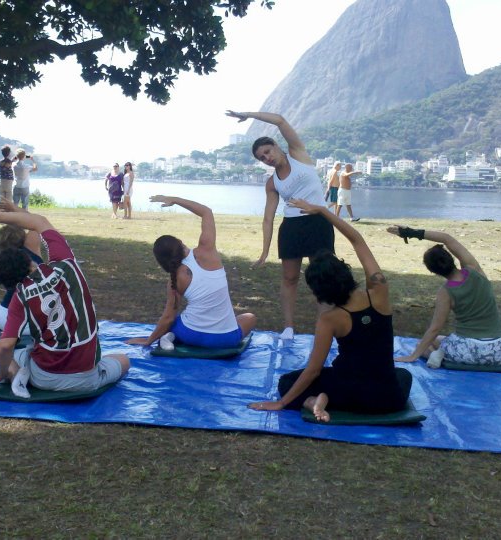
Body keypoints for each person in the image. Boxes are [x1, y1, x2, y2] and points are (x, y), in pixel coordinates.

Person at [248, 199, 411, 422]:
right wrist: (324, 211)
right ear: (345, 272)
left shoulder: (330, 319)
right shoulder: (379, 290)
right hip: (388, 399)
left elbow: (313, 370)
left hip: (349, 391)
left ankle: (316, 399)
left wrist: (282, 403)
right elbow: (357, 240)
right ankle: (325, 397)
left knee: (287, 382)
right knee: (402, 376)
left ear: (320, 291)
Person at [0, 206, 130, 393]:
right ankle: (19, 372)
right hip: (85, 379)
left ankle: (13, 374)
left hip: (44, 378)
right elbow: (40, 222)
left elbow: (4, 345)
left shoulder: (20, 297)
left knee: (13, 357)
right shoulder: (67, 264)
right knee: (124, 360)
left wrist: (0, 372)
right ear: (29, 260)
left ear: (9, 283)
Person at [225, 110, 333, 341]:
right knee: (289, 278)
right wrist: (265, 251)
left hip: (318, 224)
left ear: (275, 145)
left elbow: (280, 120)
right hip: (292, 228)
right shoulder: (272, 182)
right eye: (262, 158)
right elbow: (268, 218)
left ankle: (325, 325)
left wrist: (248, 114)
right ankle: (288, 327)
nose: (267, 158)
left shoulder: (298, 154)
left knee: (322, 276)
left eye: (267, 151)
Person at [125, 195, 256, 350]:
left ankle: (171, 336)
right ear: (180, 242)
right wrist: (174, 200)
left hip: (190, 334)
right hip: (225, 340)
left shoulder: (175, 278)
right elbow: (206, 212)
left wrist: (149, 341)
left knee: (175, 321)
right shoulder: (206, 250)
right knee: (250, 318)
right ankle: (175, 335)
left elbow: (168, 318)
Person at [389, 226, 501, 367]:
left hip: (463, 353)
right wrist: (410, 232)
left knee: (426, 342)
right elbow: (447, 238)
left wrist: (413, 356)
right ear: (452, 259)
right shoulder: (475, 270)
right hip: (496, 353)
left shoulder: (445, 292)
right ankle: (446, 354)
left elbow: (435, 328)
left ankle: (437, 355)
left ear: (433, 271)